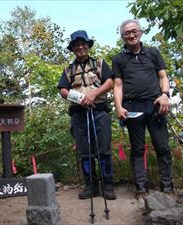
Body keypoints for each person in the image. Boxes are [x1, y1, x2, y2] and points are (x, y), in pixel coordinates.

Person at [112, 19, 173, 199]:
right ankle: (141, 188)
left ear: (140, 32)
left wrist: (165, 95)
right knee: (137, 149)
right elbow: (117, 85)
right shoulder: (118, 59)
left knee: (162, 147)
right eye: (127, 33)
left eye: (134, 31)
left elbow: (163, 76)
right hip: (132, 108)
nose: (131, 35)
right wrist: (118, 107)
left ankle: (167, 187)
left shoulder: (153, 53)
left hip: (156, 105)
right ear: (122, 37)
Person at [57, 30, 116, 200]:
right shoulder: (68, 69)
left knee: (103, 150)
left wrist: (93, 95)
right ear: (73, 48)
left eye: (83, 44)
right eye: (76, 45)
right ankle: (91, 185)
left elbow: (110, 82)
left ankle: (108, 185)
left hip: (100, 111)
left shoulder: (100, 63)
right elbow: (62, 90)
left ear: (88, 45)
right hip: (79, 114)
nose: (80, 47)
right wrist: (80, 98)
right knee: (85, 152)